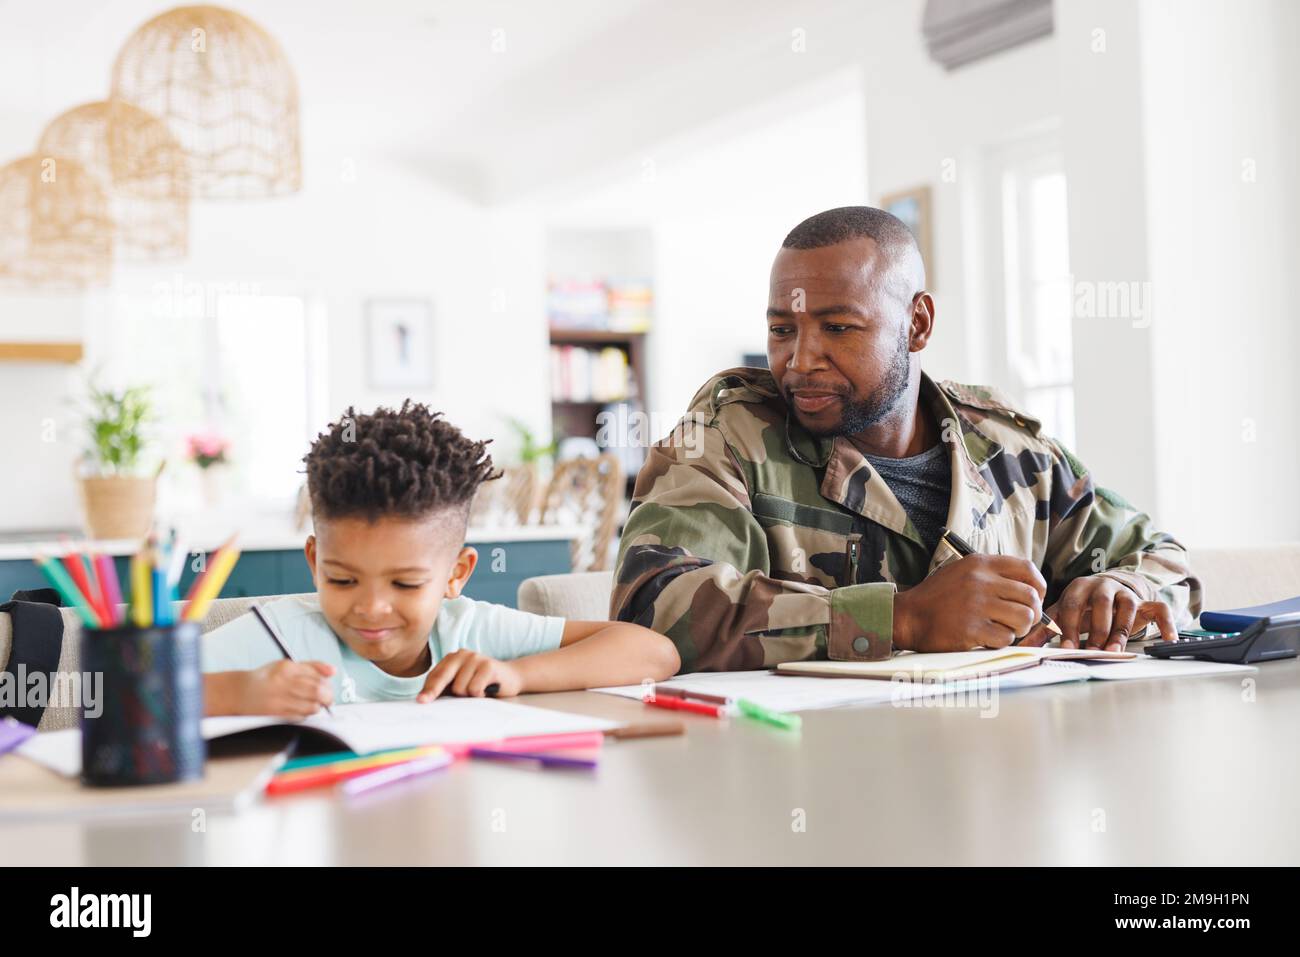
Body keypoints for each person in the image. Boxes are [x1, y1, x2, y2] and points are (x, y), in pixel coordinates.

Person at [612, 206, 1200, 672]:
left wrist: (1120, 588)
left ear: (916, 324)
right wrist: (902, 618)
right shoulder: (722, 442)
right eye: (781, 329)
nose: (799, 359)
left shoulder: (1005, 446)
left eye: (838, 328)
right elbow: (652, 606)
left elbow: (1165, 559)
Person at [203, 402, 678, 716]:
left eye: (405, 585)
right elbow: (131, 696)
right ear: (314, 562)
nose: (370, 607)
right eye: (343, 581)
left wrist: (516, 674)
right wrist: (235, 694)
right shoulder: (280, 636)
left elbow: (656, 652)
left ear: (457, 575)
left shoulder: (471, 631)